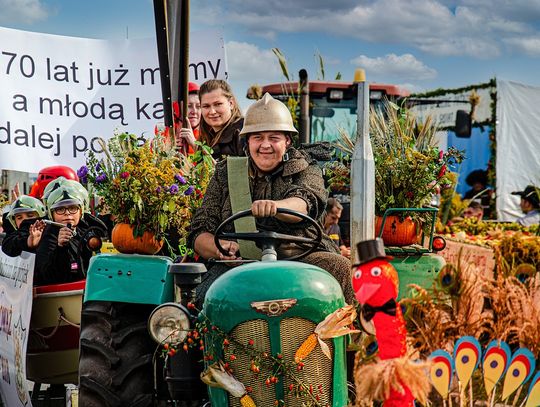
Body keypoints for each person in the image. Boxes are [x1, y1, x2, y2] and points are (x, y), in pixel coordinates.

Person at [187, 93, 354, 305]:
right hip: (238, 264)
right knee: (198, 304)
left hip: (302, 259)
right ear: (247, 142)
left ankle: (358, 336)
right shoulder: (226, 173)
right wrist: (221, 249)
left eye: (273, 138)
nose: (265, 145)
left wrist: (276, 207)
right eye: (258, 137)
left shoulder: (306, 167)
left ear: (287, 141)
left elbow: (306, 201)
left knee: (343, 269)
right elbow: (200, 230)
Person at [34, 182, 107, 285]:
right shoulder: (48, 236)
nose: (67, 213)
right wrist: (60, 248)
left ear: (81, 211)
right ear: (51, 214)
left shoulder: (86, 230)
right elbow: (48, 275)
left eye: (73, 208)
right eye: (60, 209)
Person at [198, 79, 245, 159]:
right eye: (206, 106)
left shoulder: (243, 132)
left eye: (218, 104)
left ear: (231, 103)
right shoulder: (206, 138)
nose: (212, 111)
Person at [173, 81, 202, 155]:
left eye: (198, 106)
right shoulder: (164, 133)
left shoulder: (211, 134)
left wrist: (194, 144)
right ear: (177, 108)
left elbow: (215, 165)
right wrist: (167, 150)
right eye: (189, 106)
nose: (194, 111)